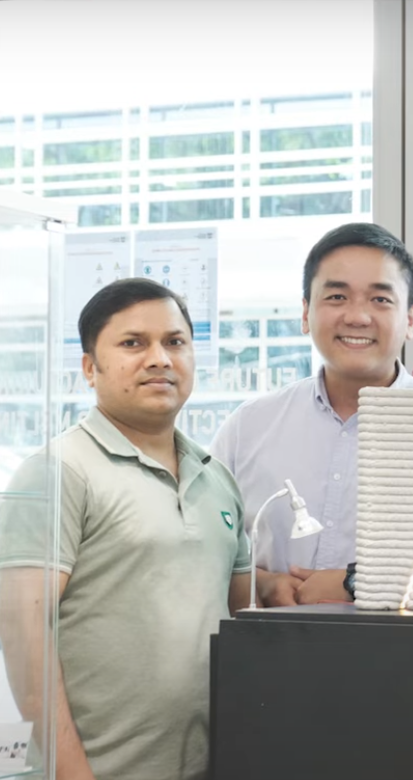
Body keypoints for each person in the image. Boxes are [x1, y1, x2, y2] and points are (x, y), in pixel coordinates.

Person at [0, 279, 251, 780]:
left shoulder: (216, 477)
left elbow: (241, 620)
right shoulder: (57, 471)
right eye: (133, 343)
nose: (159, 358)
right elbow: (24, 641)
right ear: (90, 368)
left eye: (175, 342)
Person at [211, 222, 413, 606]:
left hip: (412, 658)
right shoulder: (248, 427)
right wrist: (260, 584)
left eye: (380, 300)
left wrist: (356, 583)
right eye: (336, 297)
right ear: (305, 313)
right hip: (271, 655)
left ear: (410, 318)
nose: (357, 317)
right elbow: (206, 551)